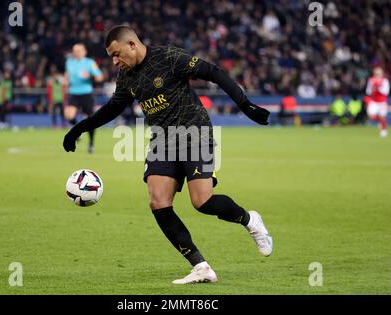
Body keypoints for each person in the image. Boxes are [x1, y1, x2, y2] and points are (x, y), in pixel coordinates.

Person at [63, 26, 273, 284]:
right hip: (163, 140)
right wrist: (79, 128)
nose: (115, 61)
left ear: (131, 44)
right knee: (158, 201)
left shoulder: (169, 58)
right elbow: (111, 109)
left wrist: (245, 105)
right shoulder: (126, 76)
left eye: (116, 54)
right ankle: (201, 267)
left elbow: (213, 72)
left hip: (195, 133)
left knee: (202, 202)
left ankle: (250, 220)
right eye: (111, 57)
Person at [64, 43, 104, 153]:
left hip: (86, 93)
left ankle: (91, 144)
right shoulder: (69, 62)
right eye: (74, 50)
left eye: (78, 50)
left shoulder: (89, 63)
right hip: (73, 93)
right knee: (68, 114)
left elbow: (100, 77)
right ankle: (78, 132)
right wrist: (65, 82)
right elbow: (67, 75)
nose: (76, 52)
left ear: (84, 52)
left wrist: (90, 76)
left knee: (90, 120)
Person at [365, 66, 391, 137]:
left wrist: (379, 87)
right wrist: (373, 88)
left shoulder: (385, 81)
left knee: (382, 117)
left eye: (379, 74)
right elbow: (368, 91)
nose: (377, 75)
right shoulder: (371, 80)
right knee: (371, 116)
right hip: (374, 101)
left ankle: (384, 130)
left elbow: (386, 92)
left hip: (382, 102)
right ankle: (381, 123)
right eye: (376, 74)